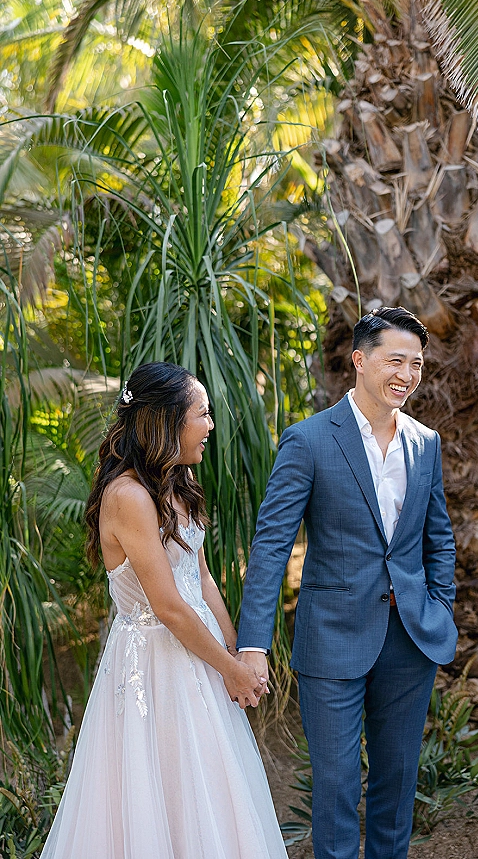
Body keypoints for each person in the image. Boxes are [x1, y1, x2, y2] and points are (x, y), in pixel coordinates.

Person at [40, 361, 288, 859]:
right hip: (154, 665)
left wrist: (236, 651)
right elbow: (170, 608)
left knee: (209, 789)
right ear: (167, 421)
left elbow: (201, 578)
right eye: (202, 413)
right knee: (159, 789)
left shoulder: (178, 482)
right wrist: (232, 670)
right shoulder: (128, 496)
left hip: (200, 656)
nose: (210, 425)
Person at [237, 307, 458, 859]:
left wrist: (440, 607)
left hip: (410, 638)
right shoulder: (308, 440)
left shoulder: (425, 442)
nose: (406, 374)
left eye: (416, 363)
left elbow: (439, 538)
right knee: (334, 787)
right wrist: (253, 644)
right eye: (395, 360)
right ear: (359, 360)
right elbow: (270, 546)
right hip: (331, 637)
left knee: (397, 783)